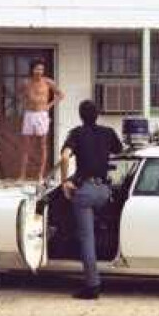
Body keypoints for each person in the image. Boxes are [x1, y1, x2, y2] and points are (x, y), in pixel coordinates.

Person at [60, 99, 124, 300]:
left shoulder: (77, 133)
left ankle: (92, 286)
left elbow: (64, 158)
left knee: (86, 239)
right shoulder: (108, 132)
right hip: (105, 191)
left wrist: (64, 183)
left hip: (86, 192)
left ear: (80, 115)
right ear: (98, 115)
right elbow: (120, 151)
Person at [18, 59, 64, 182]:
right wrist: (25, 104)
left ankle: (40, 175)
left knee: (42, 145)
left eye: (41, 69)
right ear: (32, 70)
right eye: (37, 69)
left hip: (42, 114)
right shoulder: (26, 83)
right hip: (29, 114)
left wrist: (49, 105)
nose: (39, 71)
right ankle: (22, 175)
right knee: (26, 146)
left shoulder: (48, 82)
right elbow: (20, 95)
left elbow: (60, 94)